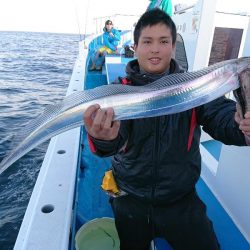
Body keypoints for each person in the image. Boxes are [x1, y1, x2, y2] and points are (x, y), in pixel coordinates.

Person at [84, 9, 250, 250]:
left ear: (173, 47)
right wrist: (103, 138)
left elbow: (219, 114)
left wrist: (240, 123)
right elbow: (113, 141)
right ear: (136, 47)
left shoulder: (194, 87)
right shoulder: (117, 92)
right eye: (147, 42)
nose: (155, 49)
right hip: (130, 198)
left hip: (181, 200)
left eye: (163, 42)